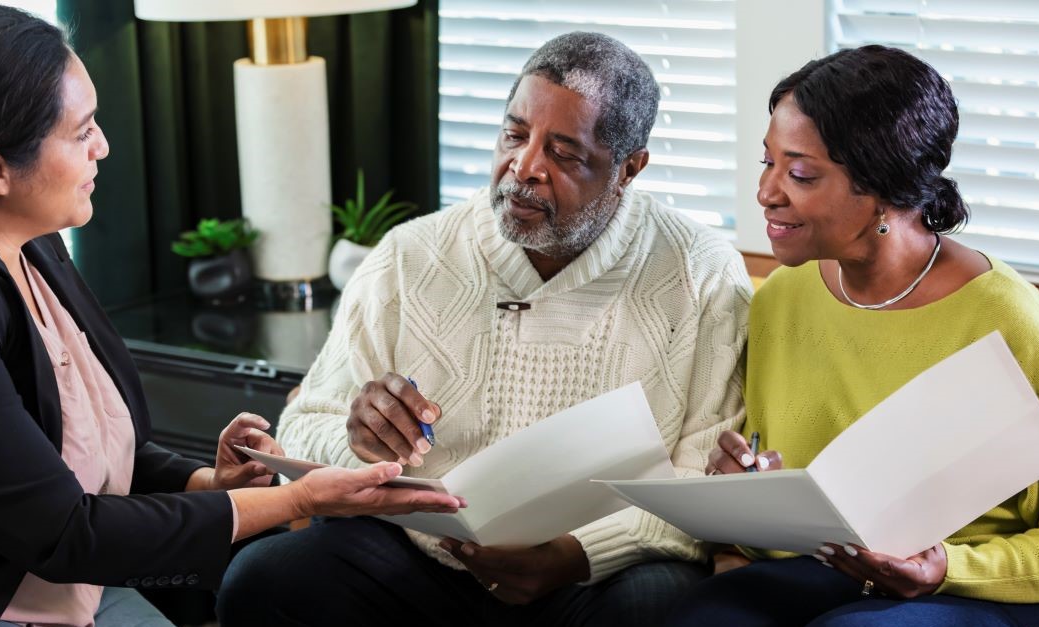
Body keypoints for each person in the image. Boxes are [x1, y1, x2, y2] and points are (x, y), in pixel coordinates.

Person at [0, 4, 463, 626]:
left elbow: (69, 451)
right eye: (81, 133)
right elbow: (62, 532)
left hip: (80, 593)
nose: (103, 146)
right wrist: (297, 499)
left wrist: (207, 486)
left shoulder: (28, 233)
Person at [217, 31, 753, 627]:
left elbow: (700, 483)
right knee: (265, 579)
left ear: (629, 168)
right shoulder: (410, 255)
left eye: (564, 153)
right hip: (421, 559)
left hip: (593, 575)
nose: (524, 169)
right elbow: (303, 425)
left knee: (664, 602)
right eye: (515, 134)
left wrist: (575, 557)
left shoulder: (701, 273)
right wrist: (359, 444)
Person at [666, 45, 1039, 626]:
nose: (767, 192)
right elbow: (792, 491)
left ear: (884, 187)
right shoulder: (782, 298)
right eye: (768, 163)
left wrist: (948, 569)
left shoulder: (1016, 324)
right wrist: (744, 493)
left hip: (980, 588)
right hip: (833, 570)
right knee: (701, 615)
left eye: (801, 173)